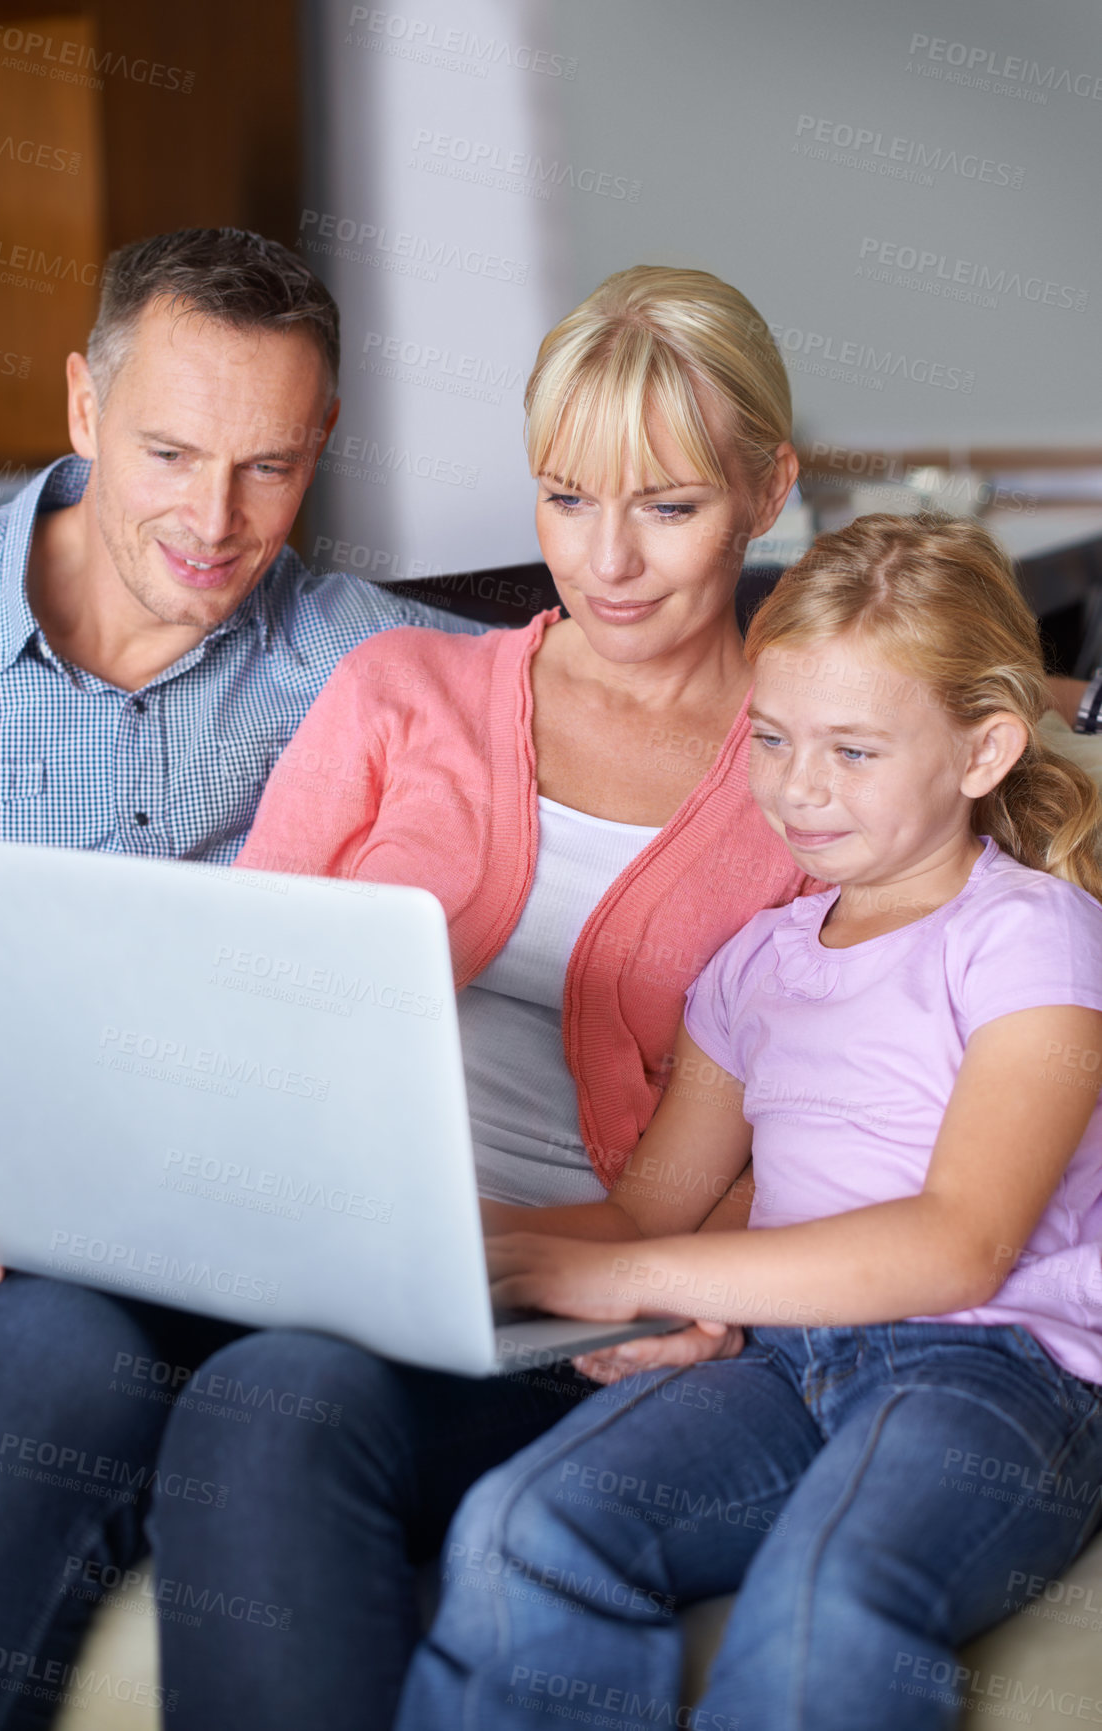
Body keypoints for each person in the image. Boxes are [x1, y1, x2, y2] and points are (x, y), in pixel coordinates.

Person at [132, 265, 819, 1731]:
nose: (608, 561)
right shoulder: (398, 690)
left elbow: (847, 1137)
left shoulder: (820, 767)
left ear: (769, 486)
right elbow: (229, 1008)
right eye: (566, 497)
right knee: (256, 1394)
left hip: (603, 1314)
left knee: (268, 1409)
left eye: (668, 505)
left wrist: (671, 1284)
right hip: (341, 1266)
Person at [397, 512, 1102, 1731]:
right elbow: (644, 1207)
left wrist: (633, 1278)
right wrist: (477, 1235)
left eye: (854, 751)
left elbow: (960, 1243)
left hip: (990, 1373)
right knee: (525, 1526)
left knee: (835, 1592)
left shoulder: (1033, 936)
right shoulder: (753, 965)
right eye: (771, 739)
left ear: (984, 750)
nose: (796, 787)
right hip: (778, 1358)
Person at [0, 224, 481, 1728]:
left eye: (270, 466)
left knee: (232, 1380)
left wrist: (1002, 695)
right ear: (79, 409)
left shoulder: (345, 653)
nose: (213, 521)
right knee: (56, 1352)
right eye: (170, 452)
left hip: (235, 1266)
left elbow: (624, 676)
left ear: (320, 446)